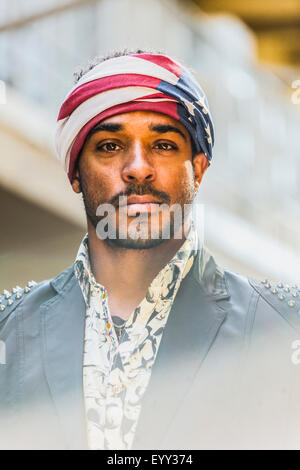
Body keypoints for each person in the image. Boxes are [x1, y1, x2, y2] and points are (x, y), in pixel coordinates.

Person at [0, 50, 300, 450]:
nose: (138, 167)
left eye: (162, 144)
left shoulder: (285, 326)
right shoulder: (8, 328)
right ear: (76, 173)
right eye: (109, 145)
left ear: (198, 167)